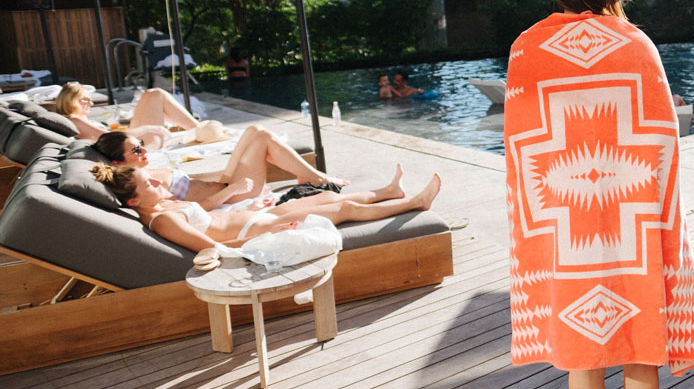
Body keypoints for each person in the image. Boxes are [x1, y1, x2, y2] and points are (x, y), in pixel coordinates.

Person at [505, 0, 694, 389]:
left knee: (583, 354)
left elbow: (521, 148)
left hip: (564, 227)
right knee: (640, 344)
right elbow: (663, 139)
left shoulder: (526, 48)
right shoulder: (637, 44)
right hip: (634, 227)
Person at [91, 163, 440, 251]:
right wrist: (267, 234)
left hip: (254, 216)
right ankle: (415, 202)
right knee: (343, 210)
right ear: (133, 200)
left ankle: (390, 191)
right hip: (253, 230)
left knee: (329, 197)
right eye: (148, 183)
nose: (157, 182)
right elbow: (213, 249)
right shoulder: (162, 221)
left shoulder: (158, 206)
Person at [92, 126, 343, 208]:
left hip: (226, 185)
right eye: (136, 150)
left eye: (142, 144)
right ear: (118, 162)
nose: (144, 150)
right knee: (263, 138)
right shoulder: (146, 187)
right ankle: (319, 179)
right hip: (233, 196)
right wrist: (231, 188)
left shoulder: (145, 172)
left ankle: (310, 175)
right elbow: (195, 209)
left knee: (254, 131)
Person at [55, 82, 197, 145]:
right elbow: (108, 137)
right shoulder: (74, 120)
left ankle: (201, 129)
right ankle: (202, 129)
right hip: (133, 147)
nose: (91, 104)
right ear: (71, 100)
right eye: (85, 100)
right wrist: (148, 128)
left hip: (129, 143)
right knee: (155, 95)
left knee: (154, 94)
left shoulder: (77, 120)